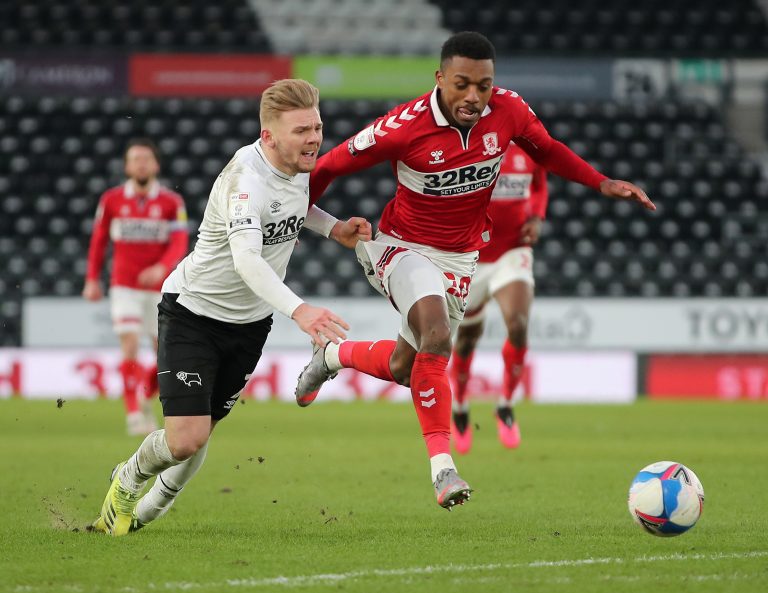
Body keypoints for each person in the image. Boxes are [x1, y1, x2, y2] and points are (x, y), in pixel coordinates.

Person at [295, 31, 655, 510]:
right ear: (440, 78)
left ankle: (334, 357)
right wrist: (312, 222)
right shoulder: (402, 126)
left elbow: (546, 149)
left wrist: (601, 181)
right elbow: (329, 166)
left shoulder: (508, 110)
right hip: (400, 246)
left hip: (461, 256)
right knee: (439, 337)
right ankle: (443, 470)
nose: (473, 97)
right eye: (462, 84)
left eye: (483, 85)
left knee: (408, 366)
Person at [91, 78, 372, 536]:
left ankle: (146, 514)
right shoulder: (246, 179)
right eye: (302, 129)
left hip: (248, 325)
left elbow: (294, 204)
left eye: (317, 126)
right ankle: (127, 480)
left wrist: (333, 228)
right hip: (194, 312)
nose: (314, 138)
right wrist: (300, 311)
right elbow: (247, 259)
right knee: (187, 438)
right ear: (268, 136)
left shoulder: (297, 162)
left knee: (203, 430)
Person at [83, 139, 189, 436]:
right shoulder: (112, 200)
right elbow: (99, 241)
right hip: (124, 285)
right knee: (129, 345)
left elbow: (179, 241)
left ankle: (143, 396)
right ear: (127, 166)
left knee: (164, 355)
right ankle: (132, 411)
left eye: (146, 159)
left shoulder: (171, 202)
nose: (141, 164)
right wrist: (92, 278)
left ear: (156, 164)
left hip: (160, 288)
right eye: (135, 159)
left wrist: (162, 266)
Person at [450, 142, 547, 455]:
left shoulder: (530, 149)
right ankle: (460, 407)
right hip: (470, 256)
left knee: (518, 324)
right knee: (466, 340)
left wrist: (537, 218)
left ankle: (505, 405)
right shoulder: (465, 147)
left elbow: (539, 186)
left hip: (512, 251)